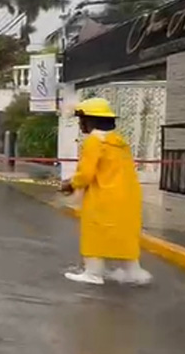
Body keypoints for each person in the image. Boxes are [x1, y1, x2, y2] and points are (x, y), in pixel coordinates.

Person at [61, 97, 152, 286]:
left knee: (94, 233)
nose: (81, 125)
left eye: (82, 120)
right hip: (128, 197)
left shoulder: (94, 142)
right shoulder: (119, 142)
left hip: (102, 196)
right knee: (124, 234)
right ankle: (133, 272)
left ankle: (93, 273)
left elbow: (86, 174)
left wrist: (70, 184)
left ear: (92, 120)